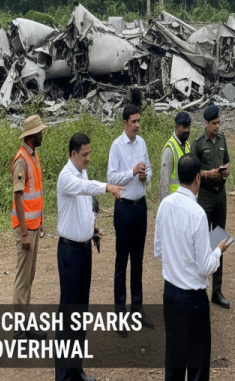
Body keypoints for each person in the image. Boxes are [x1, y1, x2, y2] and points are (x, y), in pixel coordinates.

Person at [155, 154, 233, 381]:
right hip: (192, 300)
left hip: (170, 294)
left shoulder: (164, 205)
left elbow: (158, 251)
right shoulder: (197, 213)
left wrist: (177, 257)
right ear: (198, 178)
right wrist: (218, 250)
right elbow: (205, 267)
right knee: (197, 363)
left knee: (174, 360)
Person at [56, 133, 121, 381]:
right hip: (70, 252)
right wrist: (108, 187)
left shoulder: (81, 172)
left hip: (84, 250)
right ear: (73, 154)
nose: (88, 158)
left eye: (89, 153)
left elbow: (84, 204)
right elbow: (85, 188)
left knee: (80, 312)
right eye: (84, 154)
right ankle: (63, 376)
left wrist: (90, 226)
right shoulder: (67, 176)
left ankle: (76, 370)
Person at [108, 104, 153, 327]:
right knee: (122, 261)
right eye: (133, 121)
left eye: (138, 121)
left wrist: (145, 176)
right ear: (124, 123)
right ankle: (119, 313)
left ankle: (137, 308)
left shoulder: (142, 143)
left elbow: (150, 169)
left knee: (138, 260)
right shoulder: (117, 146)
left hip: (140, 207)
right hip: (124, 208)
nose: (137, 125)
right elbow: (111, 178)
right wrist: (132, 172)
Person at [11, 115, 48, 340]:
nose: (42, 134)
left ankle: (24, 326)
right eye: (40, 132)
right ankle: (19, 332)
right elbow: (18, 196)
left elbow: (35, 193)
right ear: (32, 135)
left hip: (33, 226)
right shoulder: (22, 159)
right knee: (22, 281)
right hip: (25, 229)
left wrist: (40, 221)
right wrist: (24, 233)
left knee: (29, 278)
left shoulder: (33, 154)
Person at [191, 104, 231, 309]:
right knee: (202, 242)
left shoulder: (222, 139)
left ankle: (217, 291)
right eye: (214, 123)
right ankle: (200, 289)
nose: (217, 126)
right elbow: (192, 169)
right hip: (205, 196)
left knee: (219, 241)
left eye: (218, 123)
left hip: (220, 196)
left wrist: (225, 171)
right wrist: (207, 174)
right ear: (206, 123)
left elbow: (227, 162)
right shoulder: (198, 143)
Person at [160, 111, 192, 201]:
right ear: (177, 127)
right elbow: (164, 184)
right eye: (184, 127)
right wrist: (166, 206)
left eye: (188, 127)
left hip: (186, 201)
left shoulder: (187, 146)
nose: (187, 130)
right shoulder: (169, 150)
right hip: (174, 202)